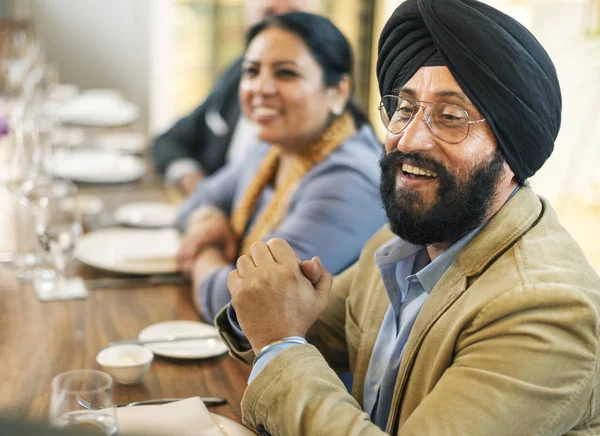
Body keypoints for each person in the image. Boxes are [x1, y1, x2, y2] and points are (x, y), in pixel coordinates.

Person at [216, 0, 600, 434]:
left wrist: (278, 343)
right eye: (404, 107)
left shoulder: (546, 309)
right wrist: (258, 307)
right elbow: (309, 325)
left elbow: (284, 340)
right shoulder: (405, 239)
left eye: (450, 117)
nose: (410, 138)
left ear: (512, 151)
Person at [176, 12, 386, 323]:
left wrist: (204, 250)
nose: (260, 88)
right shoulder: (275, 144)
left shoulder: (349, 182)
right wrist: (210, 219)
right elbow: (195, 202)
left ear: (338, 91)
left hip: (302, 366)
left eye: (285, 73)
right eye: (252, 71)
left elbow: (242, 305)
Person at [152, 0, 321, 196]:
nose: (280, 26)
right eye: (268, 13)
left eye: (295, 17)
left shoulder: (317, 120)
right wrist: (192, 181)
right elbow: (171, 139)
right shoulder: (237, 74)